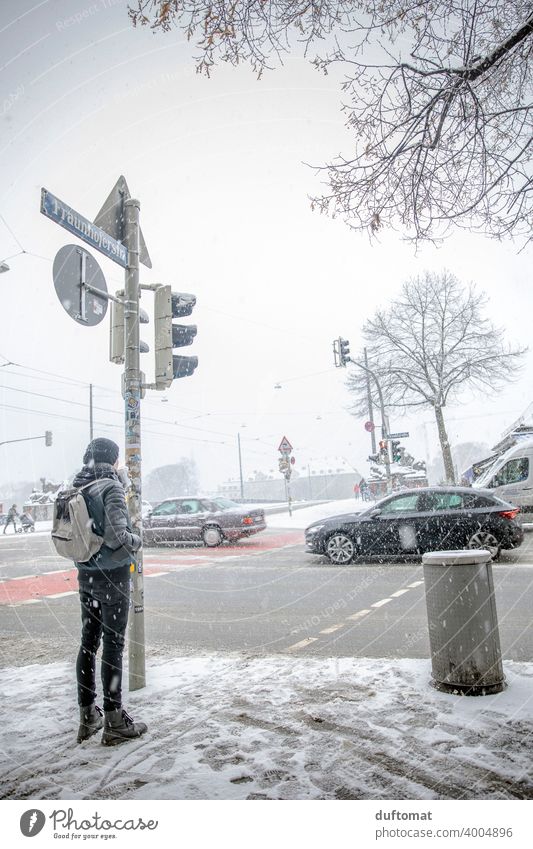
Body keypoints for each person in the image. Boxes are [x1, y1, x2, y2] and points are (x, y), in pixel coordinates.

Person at [72, 438, 147, 746]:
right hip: (112, 575)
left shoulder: (79, 486)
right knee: (113, 644)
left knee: (88, 642)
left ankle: (88, 716)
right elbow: (117, 533)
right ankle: (115, 721)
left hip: (85, 573)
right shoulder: (110, 486)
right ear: (112, 460)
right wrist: (137, 539)